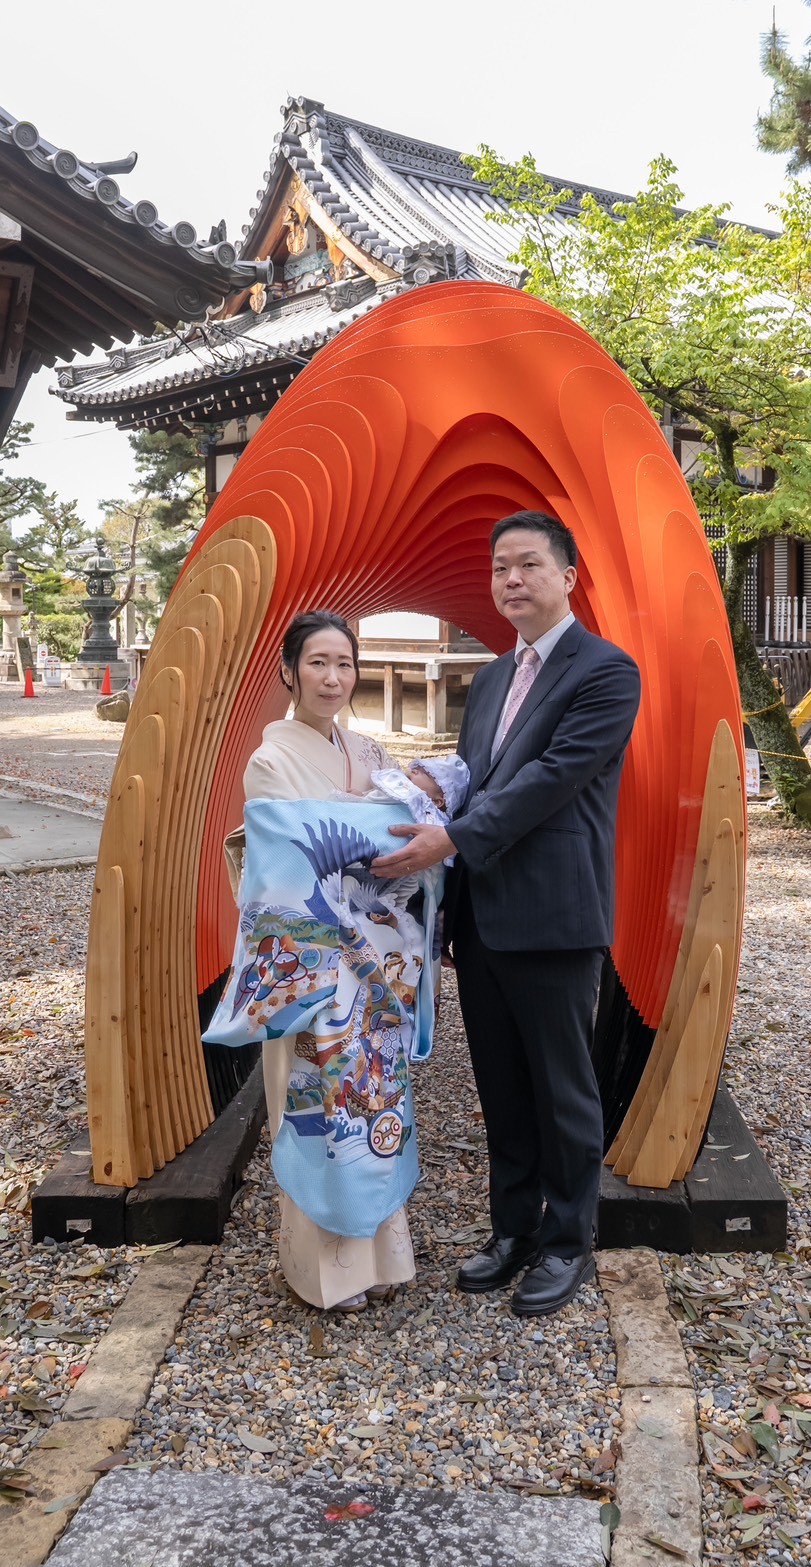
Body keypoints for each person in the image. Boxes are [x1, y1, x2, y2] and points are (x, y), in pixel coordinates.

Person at [372, 511, 640, 1317]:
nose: (511, 579)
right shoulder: (489, 676)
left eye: (528, 564)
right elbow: (480, 773)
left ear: (569, 576)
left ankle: (568, 1243)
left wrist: (446, 839)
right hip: (484, 910)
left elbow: (550, 778)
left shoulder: (605, 670)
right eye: (499, 568)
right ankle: (512, 1229)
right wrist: (424, 786)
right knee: (501, 1083)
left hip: (555, 911)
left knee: (563, 1088)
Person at [214, 610, 433, 1313]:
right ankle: (322, 1273)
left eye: (343, 662)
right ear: (288, 669)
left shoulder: (369, 752)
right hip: (314, 963)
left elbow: (404, 842)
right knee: (317, 1104)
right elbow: (284, 863)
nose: (332, 677)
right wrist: (369, 833)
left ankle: (383, 1258)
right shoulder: (270, 759)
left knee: (372, 1101)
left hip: (378, 963)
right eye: (316, 662)